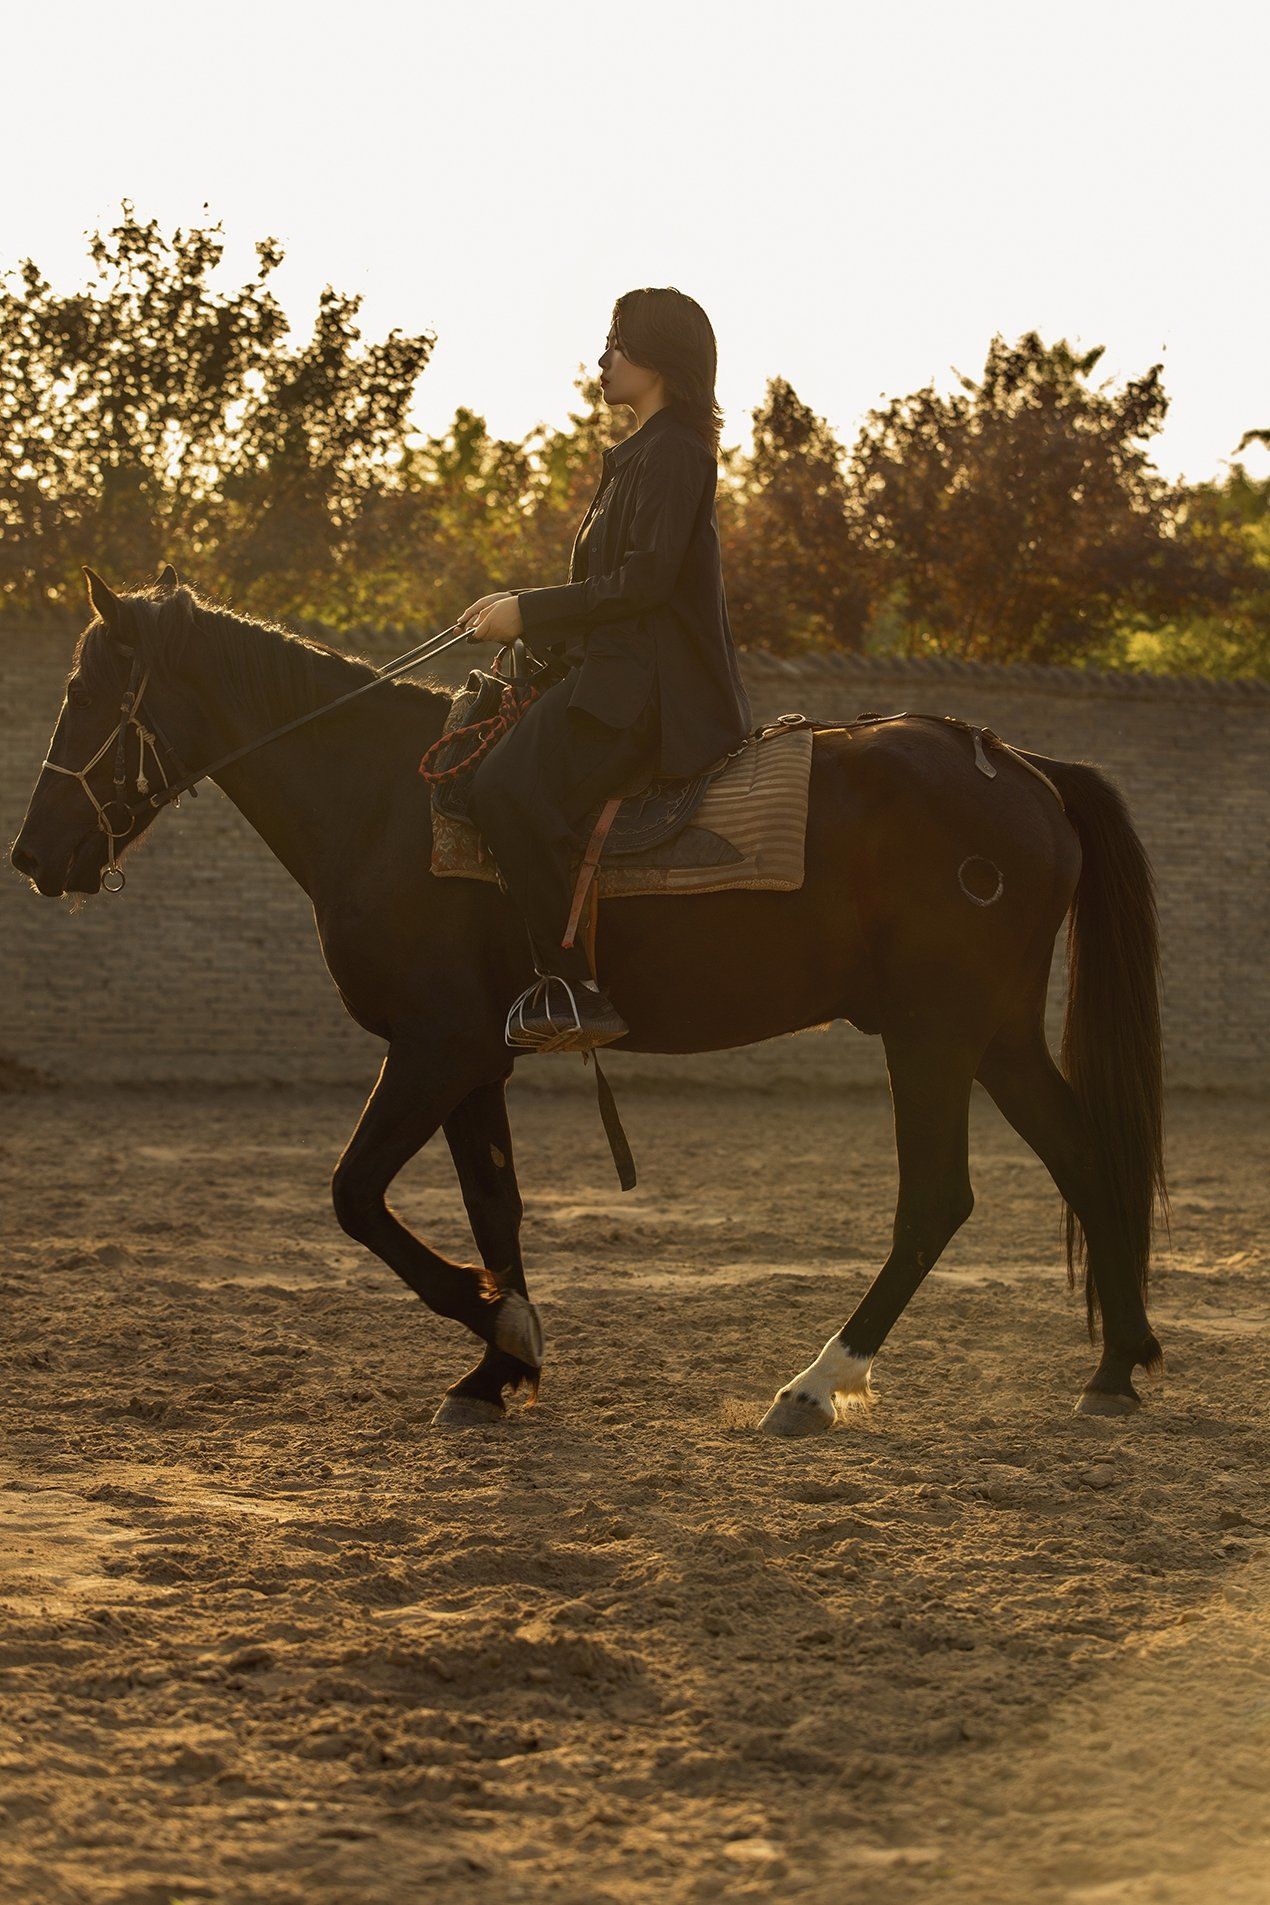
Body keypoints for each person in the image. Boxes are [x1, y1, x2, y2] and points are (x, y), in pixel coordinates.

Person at [459, 286, 753, 1050]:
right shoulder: (639, 455)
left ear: (656, 358)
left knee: (501, 789)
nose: (602, 358)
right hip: (606, 679)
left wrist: (529, 608)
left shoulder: (676, 452)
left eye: (616, 343)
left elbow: (644, 584)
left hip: (644, 695)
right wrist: (532, 637)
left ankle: (573, 988)